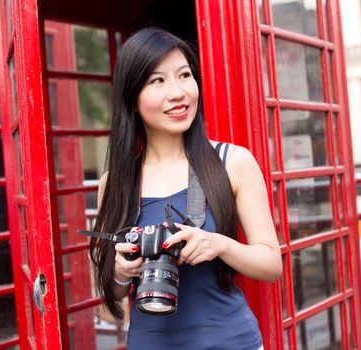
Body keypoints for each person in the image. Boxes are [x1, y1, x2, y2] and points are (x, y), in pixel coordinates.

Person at [89, 27, 282, 350]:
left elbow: (271, 265)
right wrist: (123, 271)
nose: (178, 92)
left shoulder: (232, 162)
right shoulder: (116, 182)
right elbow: (110, 302)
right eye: (157, 81)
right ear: (132, 99)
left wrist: (218, 244)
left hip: (233, 342)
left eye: (184, 75)